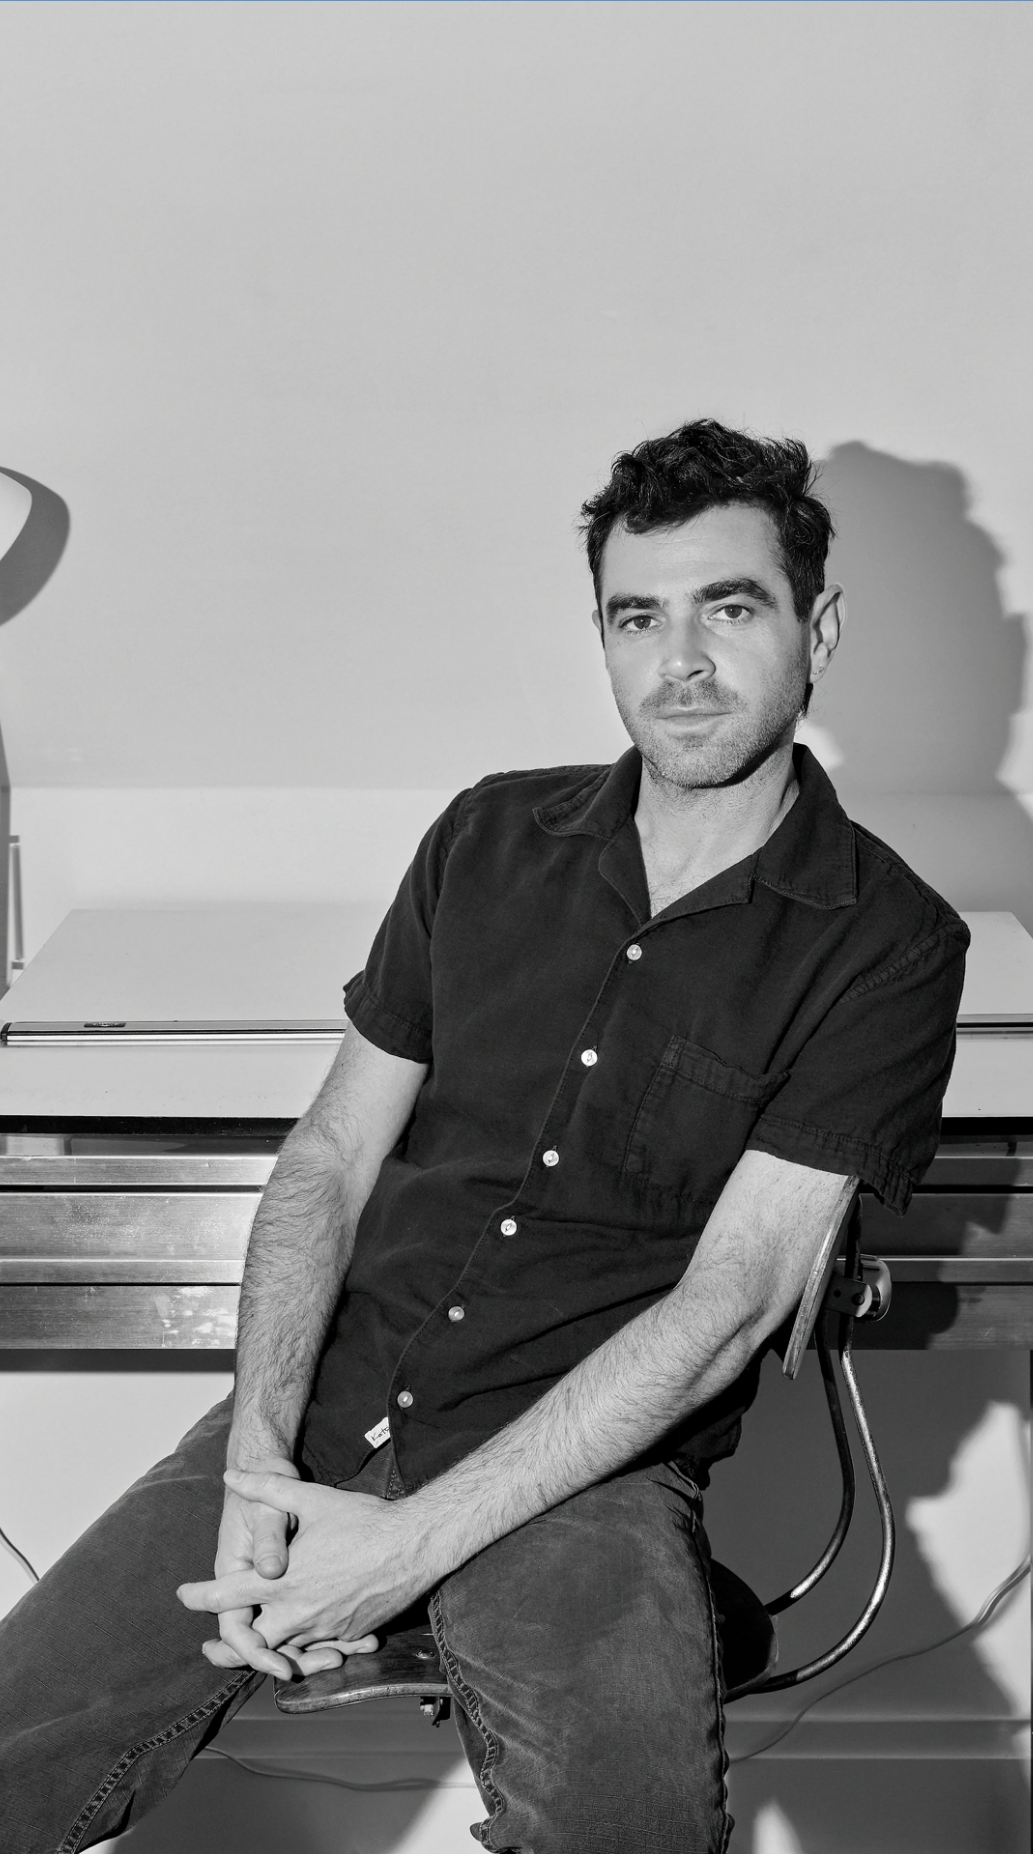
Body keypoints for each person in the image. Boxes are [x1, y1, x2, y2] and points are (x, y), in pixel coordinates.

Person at [0, 420, 968, 1853]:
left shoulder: (889, 942)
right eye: (637, 617)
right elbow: (328, 1163)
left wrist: (401, 1549)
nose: (681, 661)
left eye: (730, 608)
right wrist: (260, 1460)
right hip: (327, 1410)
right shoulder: (486, 839)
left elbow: (729, 1304)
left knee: (629, 1831)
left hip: (581, 1468)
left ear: (816, 628)